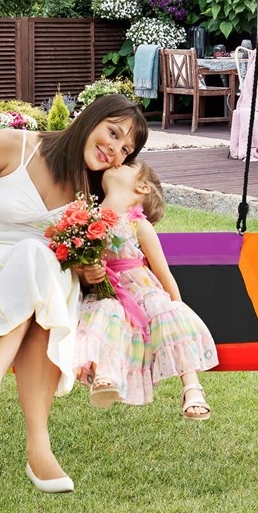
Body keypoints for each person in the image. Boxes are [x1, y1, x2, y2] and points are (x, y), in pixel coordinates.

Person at [0, 94, 147, 493]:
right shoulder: (9, 145)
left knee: (39, 266)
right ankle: (32, 441)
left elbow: (87, 260)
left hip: (51, 290)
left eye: (126, 150)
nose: (115, 150)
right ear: (90, 119)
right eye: (113, 133)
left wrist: (89, 268)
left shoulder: (94, 194)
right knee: (33, 259)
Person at [75, 159, 218, 419]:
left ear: (141, 188)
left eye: (128, 165)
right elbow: (79, 269)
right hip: (108, 293)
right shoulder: (85, 219)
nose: (118, 162)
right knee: (105, 312)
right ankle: (105, 375)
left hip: (143, 292)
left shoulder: (139, 225)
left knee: (163, 310)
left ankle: (192, 386)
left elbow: (163, 273)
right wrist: (87, 274)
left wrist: (178, 308)